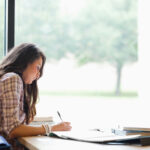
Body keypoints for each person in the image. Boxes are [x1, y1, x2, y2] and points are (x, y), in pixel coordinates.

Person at [0, 43, 72, 149]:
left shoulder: (12, 80)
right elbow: (12, 130)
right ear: (24, 62)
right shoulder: (13, 78)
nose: (38, 74)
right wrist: (51, 128)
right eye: (37, 67)